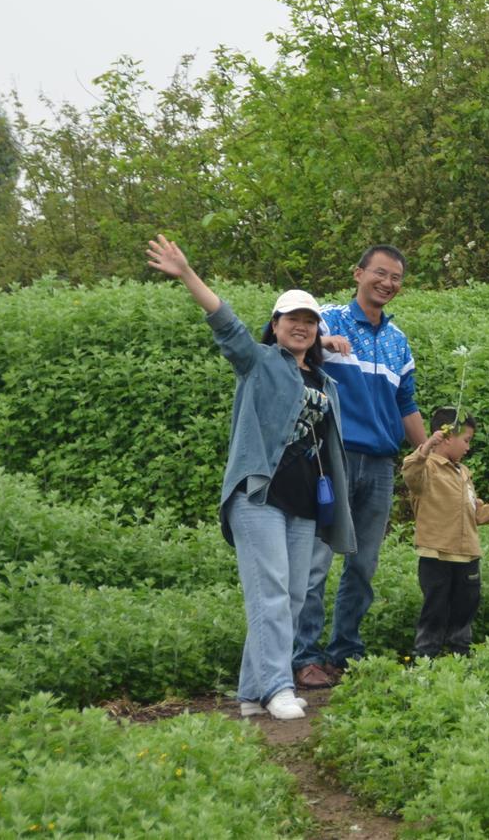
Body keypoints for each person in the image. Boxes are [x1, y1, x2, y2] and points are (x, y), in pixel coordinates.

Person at [145, 236, 353, 721]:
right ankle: (278, 685)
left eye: (309, 322)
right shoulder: (257, 362)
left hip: (303, 502)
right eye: (291, 320)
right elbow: (226, 324)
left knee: (293, 596)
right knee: (272, 591)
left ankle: (250, 691)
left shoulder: (324, 382)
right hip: (258, 495)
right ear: (275, 326)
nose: (300, 328)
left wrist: (321, 346)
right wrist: (187, 273)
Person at [291, 244, 425, 690]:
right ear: (358, 272)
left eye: (396, 278)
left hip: (381, 464)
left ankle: (345, 651)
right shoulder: (328, 318)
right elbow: (282, 337)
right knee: (316, 561)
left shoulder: (397, 340)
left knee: (363, 564)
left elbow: (406, 404)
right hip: (333, 458)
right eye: (380, 274)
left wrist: (429, 455)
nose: (388, 283)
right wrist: (320, 341)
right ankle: (305, 656)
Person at [400, 409, 489, 659]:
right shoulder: (427, 468)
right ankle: (425, 656)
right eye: (466, 440)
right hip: (437, 555)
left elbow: (474, 512)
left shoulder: (463, 472)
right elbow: (410, 472)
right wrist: (426, 446)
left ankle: (460, 654)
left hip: (468, 555)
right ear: (445, 438)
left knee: (466, 606)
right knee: (435, 608)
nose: (468, 447)